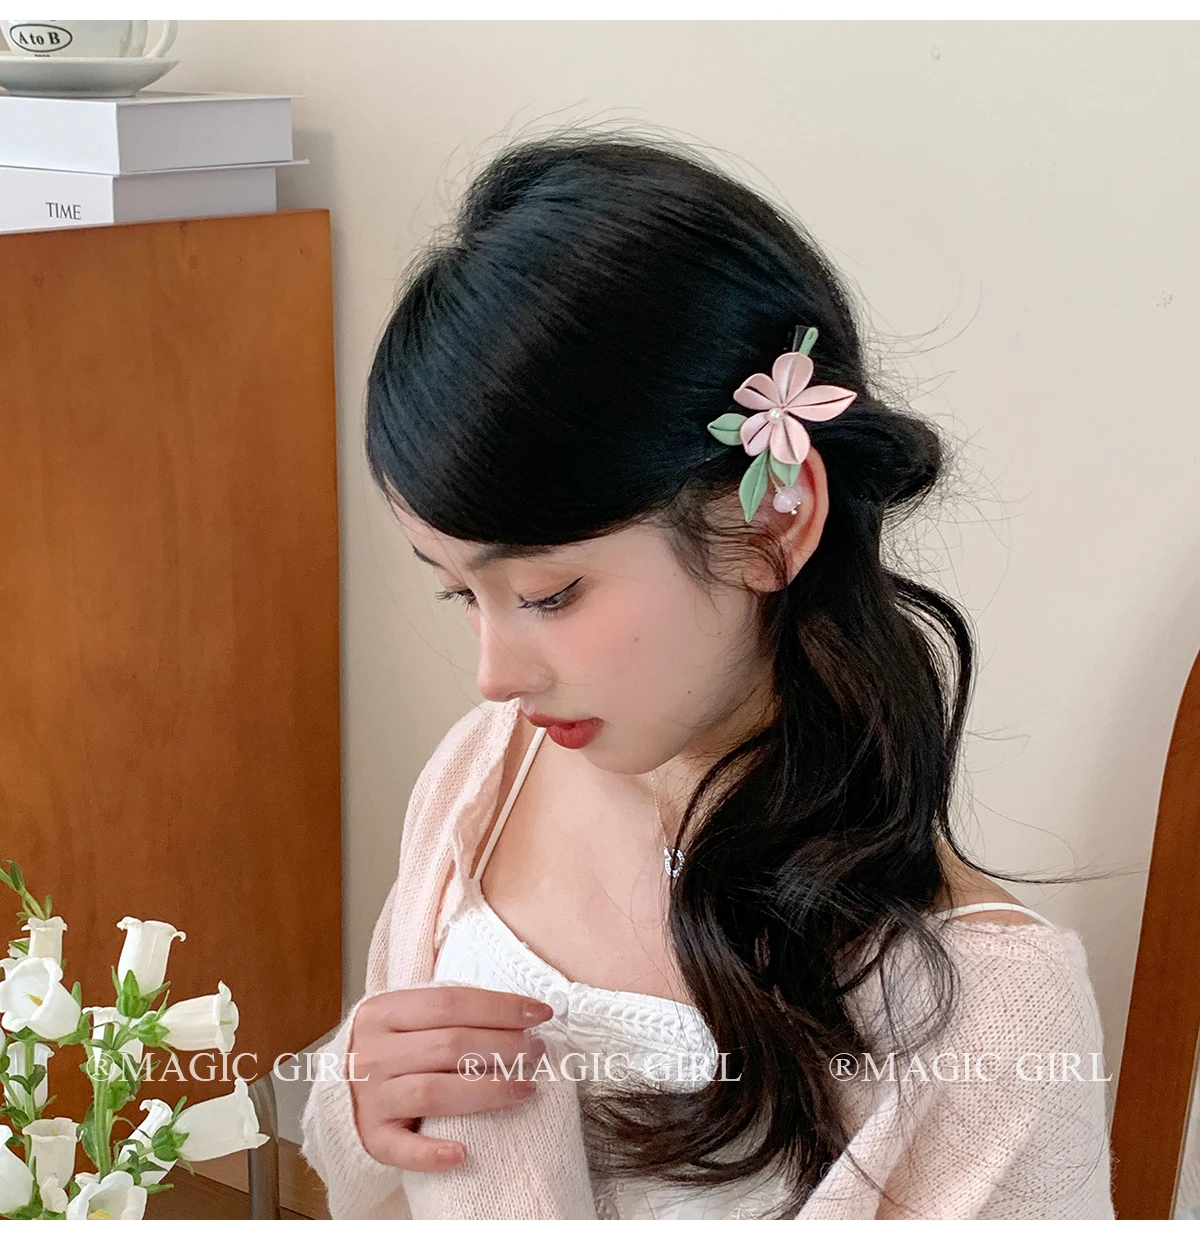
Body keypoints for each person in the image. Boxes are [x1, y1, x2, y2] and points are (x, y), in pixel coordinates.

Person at [299, 131, 1115, 1220]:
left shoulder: (994, 1018)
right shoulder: (484, 777)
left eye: (549, 593)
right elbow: (372, 1174)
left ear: (772, 521)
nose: (494, 675)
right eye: (460, 593)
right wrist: (360, 1098)